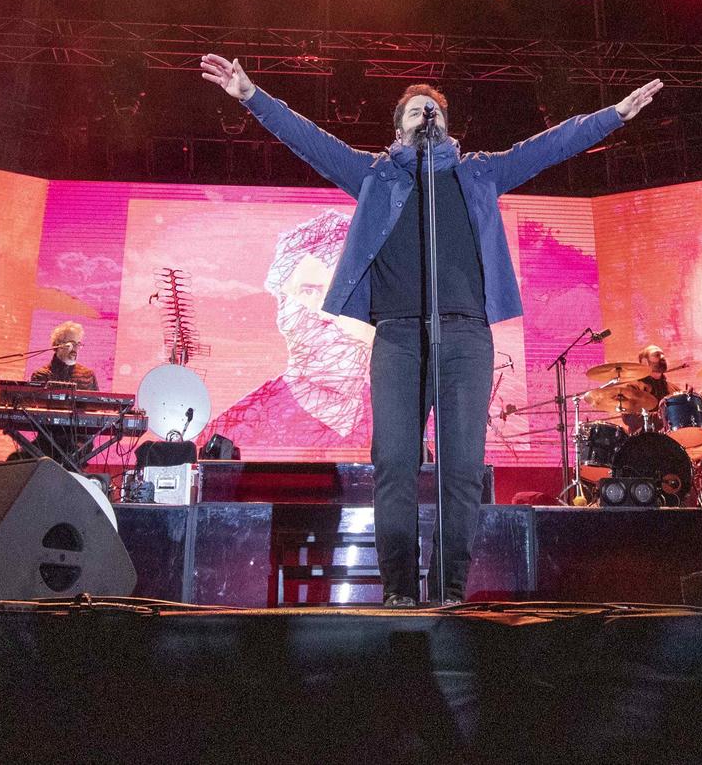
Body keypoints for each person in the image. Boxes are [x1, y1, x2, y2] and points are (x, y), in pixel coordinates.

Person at [199, 54, 660, 606]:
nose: (425, 117)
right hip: (396, 337)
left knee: (461, 469)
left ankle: (446, 590)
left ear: (446, 125)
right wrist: (252, 95)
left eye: (432, 111)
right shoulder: (375, 175)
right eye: (416, 113)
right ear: (399, 129)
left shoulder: (479, 172)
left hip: (466, 338)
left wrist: (612, 115)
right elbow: (310, 140)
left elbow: (548, 146)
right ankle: (398, 591)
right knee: (393, 463)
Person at [205, 208, 376, 450]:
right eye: (309, 291)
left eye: (348, 294)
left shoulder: (415, 432)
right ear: (282, 311)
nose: (327, 313)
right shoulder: (229, 434)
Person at [29, 320, 97, 390]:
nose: (75, 348)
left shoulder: (88, 376)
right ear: (58, 345)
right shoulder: (41, 375)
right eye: (72, 344)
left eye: (78, 344)